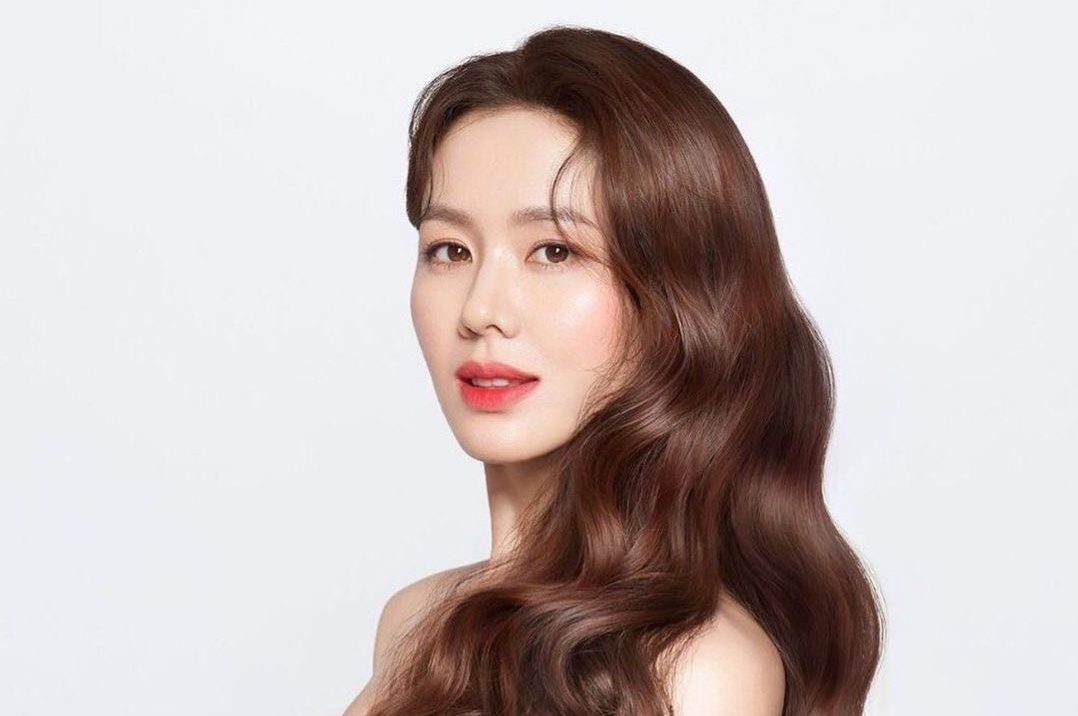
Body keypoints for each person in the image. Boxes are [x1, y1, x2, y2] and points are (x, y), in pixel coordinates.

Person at [345, 25, 884, 716]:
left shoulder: (693, 671)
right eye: (449, 250)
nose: (481, 310)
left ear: (678, 298)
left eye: (554, 252)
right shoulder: (413, 622)